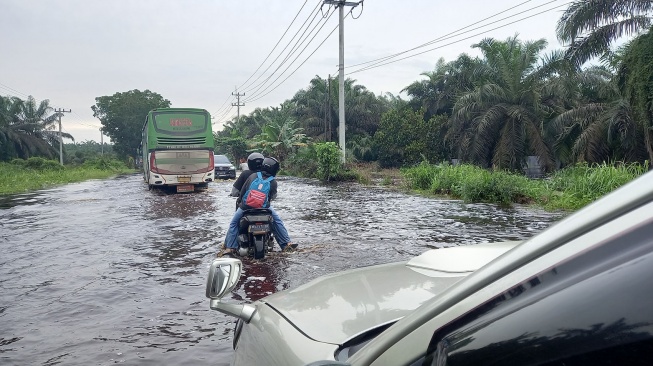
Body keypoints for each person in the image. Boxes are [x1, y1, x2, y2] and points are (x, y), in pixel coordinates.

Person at [220, 156, 296, 256]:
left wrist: (241, 202)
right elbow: (273, 197)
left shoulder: (253, 176)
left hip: (246, 208)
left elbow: (243, 192)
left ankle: (230, 248)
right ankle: (286, 244)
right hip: (265, 208)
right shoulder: (273, 182)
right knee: (277, 222)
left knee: (234, 223)